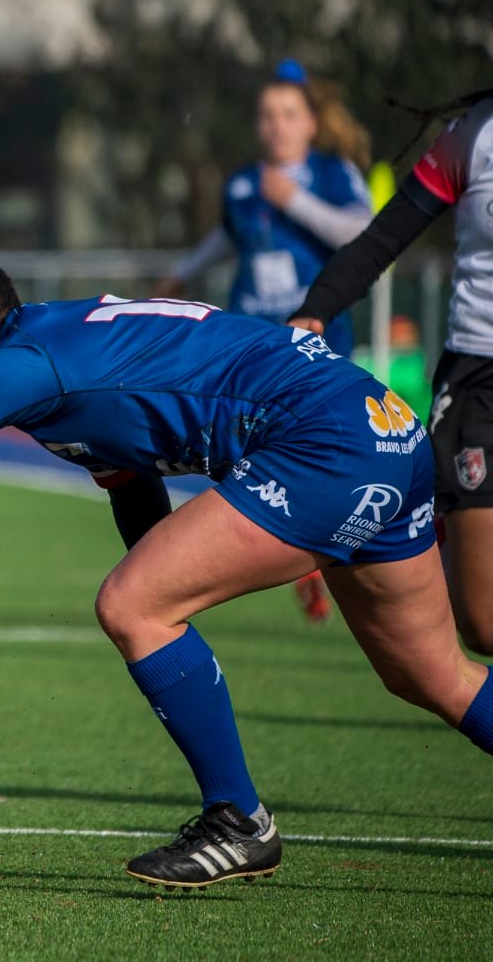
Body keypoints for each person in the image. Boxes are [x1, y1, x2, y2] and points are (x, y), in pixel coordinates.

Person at [0, 253, 492, 890]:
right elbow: (133, 481)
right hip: (383, 426)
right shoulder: (60, 350)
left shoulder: (27, 367)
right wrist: (166, 595)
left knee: (131, 604)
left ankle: (240, 820)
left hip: (326, 444)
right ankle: (237, 813)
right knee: (434, 675)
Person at [157, 58, 374, 623]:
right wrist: (183, 273)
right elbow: (226, 239)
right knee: (247, 448)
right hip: (254, 340)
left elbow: (365, 230)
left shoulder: (331, 173)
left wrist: (294, 200)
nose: (275, 125)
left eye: (287, 114)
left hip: (315, 340)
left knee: (318, 452)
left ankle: (318, 554)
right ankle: (284, 554)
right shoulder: (242, 183)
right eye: (266, 115)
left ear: (310, 124)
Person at [291, 88, 493, 656]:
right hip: (480, 382)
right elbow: (381, 240)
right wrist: (315, 310)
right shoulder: (473, 137)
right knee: (481, 622)